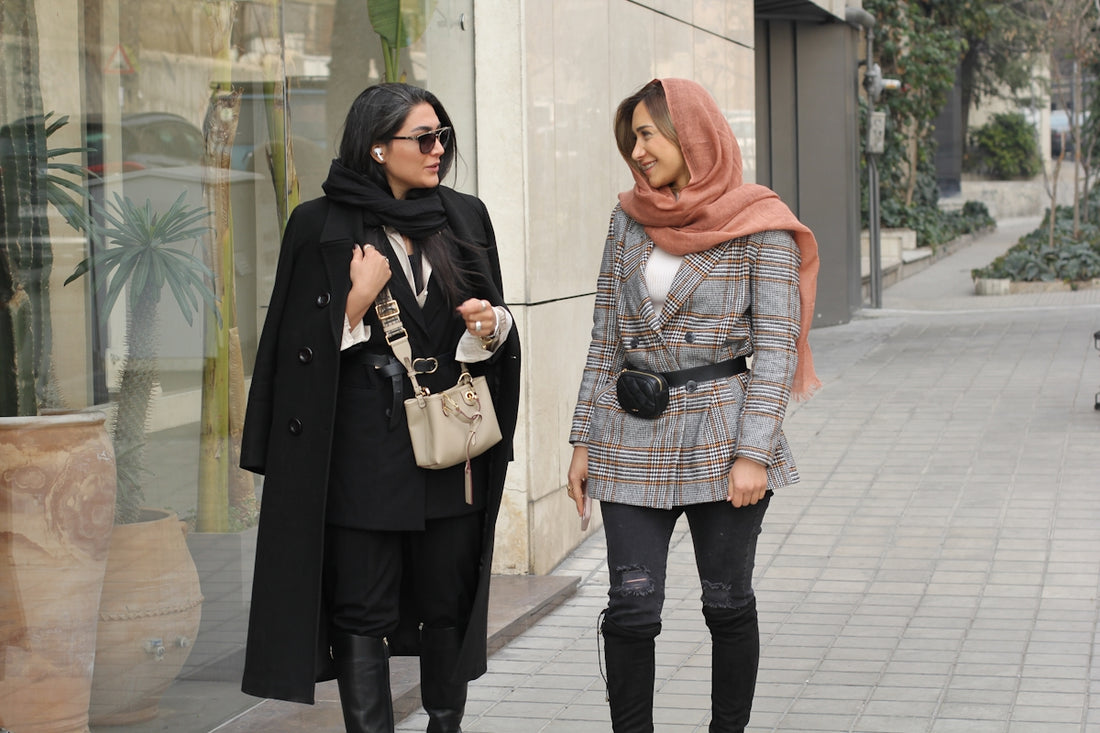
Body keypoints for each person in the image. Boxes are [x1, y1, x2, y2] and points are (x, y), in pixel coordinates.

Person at [239, 82, 521, 733]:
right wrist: (354, 305)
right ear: (376, 145)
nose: (438, 149)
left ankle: (445, 724)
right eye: (423, 138)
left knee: (447, 603)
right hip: (361, 455)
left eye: (442, 135)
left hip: (449, 447)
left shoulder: (464, 216)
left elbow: (494, 328)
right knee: (362, 611)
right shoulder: (320, 226)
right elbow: (292, 350)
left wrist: (493, 327)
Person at [566, 78, 820, 733]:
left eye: (648, 133)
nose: (637, 149)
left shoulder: (759, 221)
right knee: (631, 607)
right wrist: (582, 438)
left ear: (691, 132)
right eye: (632, 137)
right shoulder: (627, 218)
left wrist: (753, 452)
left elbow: (777, 347)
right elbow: (605, 337)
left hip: (721, 433)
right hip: (629, 430)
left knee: (726, 601)